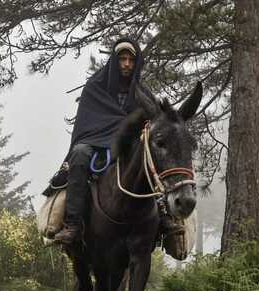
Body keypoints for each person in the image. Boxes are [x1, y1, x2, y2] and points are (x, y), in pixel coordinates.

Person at [53, 38, 181, 245]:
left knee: (153, 160)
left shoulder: (144, 95)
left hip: (129, 147)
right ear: (114, 61)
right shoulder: (95, 87)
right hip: (95, 146)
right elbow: (86, 123)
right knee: (79, 154)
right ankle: (73, 225)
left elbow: (154, 125)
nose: (127, 64)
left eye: (131, 59)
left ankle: (165, 218)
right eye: (122, 59)